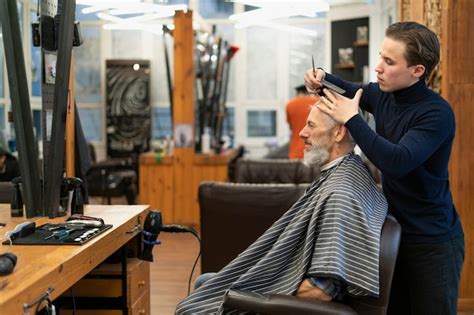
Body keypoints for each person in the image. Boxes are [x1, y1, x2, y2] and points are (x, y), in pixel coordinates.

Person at [304, 21, 464, 315]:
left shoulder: (436, 113)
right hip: (395, 234)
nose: (378, 67)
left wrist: (354, 120)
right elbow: (351, 90)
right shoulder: (383, 94)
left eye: (389, 62)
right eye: (380, 56)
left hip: (433, 242)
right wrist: (323, 78)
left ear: (417, 71)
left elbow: (397, 161)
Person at [175, 104, 387, 314]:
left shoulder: (339, 195)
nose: (302, 133)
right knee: (207, 284)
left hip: (302, 308)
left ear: (339, 133)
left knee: (197, 300)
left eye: (311, 125)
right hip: (295, 287)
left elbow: (320, 291)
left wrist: (262, 289)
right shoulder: (349, 173)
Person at [286, 84, 318, 159]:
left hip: (295, 152)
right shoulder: (317, 103)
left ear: (298, 93)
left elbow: (291, 127)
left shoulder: (290, 104)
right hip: (315, 150)